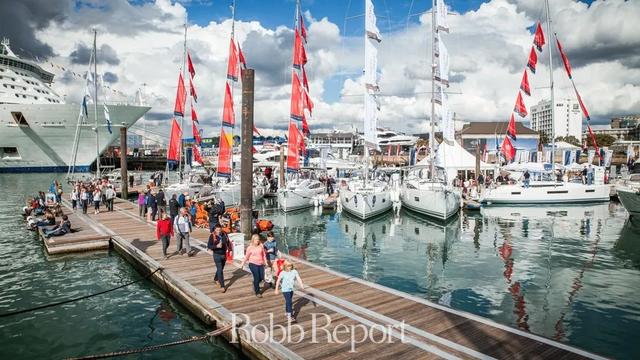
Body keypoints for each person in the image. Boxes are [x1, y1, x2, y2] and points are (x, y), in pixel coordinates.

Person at [207, 224, 231, 292]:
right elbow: (209, 246)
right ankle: (222, 286)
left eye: (219, 230)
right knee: (220, 270)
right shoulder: (212, 236)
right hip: (216, 255)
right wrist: (216, 246)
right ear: (215, 229)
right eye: (217, 230)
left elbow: (228, 242)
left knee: (220, 269)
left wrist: (230, 249)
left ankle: (215, 279)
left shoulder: (224, 234)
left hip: (224, 254)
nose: (218, 231)